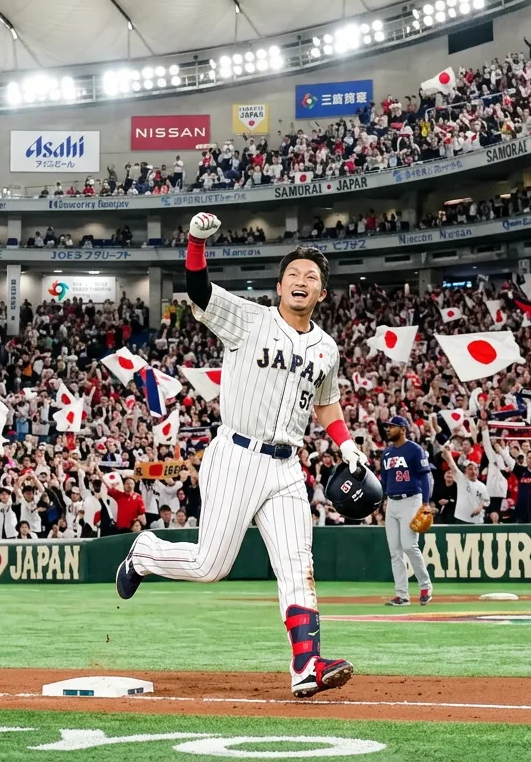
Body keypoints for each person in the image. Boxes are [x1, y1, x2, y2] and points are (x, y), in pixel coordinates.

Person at [117, 212, 357, 699]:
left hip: (287, 466)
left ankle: (306, 665)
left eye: (311, 278)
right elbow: (200, 291)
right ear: (280, 284)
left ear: (321, 294)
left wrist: (346, 442)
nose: (301, 281)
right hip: (237, 454)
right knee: (211, 565)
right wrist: (195, 243)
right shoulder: (251, 319)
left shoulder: (326, 348)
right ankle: (145, 553)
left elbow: (327, 401)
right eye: (294, 274)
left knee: (297, 564)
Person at [378, 416, 433, 606]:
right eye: (388, 427)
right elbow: (385, 482)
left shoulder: (415, 450)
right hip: (392, 502)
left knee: (409, 546)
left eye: (392, 427)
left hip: (411, 499)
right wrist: (382, 503)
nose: (388, 430)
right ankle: (402, 594)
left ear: (403, 429)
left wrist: (425, 503)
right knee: (395, 551)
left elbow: (426, 478)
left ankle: (425, 586)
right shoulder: (386, 454)